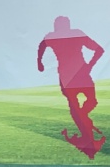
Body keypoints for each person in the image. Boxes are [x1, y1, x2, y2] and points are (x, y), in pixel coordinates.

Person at [37, 15, 105, 159]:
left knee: (88, 103)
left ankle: (84, 123)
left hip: (78, 75)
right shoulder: (55, 36)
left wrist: (90, 65)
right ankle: (87, 136)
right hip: (70, 76)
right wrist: (39, 62)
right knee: (77, 106)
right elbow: (41, 46)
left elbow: (99, 49)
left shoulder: (72, 34)